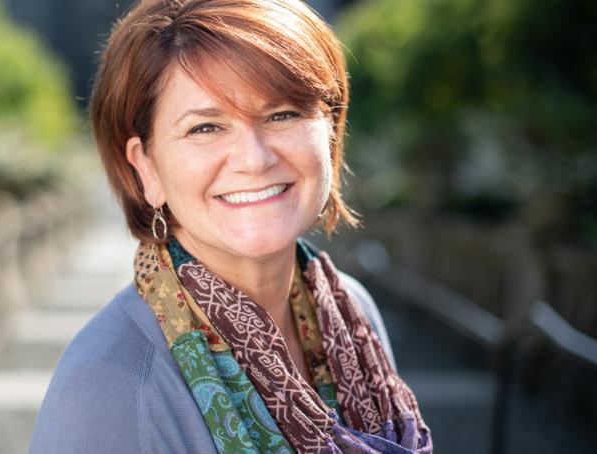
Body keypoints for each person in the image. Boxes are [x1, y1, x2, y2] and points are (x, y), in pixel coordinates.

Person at [30, 0, 433, 452]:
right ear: (147, 168)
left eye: (282, 114)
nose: (255, 160)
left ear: (332, 131)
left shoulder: (354, 315)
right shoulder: (109, 383)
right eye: (205, 128)